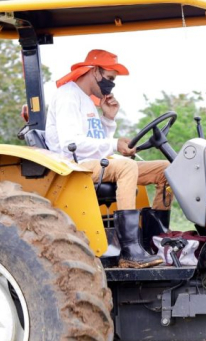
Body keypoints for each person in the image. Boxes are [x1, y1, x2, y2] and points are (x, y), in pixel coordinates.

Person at [45, 49, 172, 269]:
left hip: (94, 163)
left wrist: (108, 119)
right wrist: (114, 144)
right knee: (126, 167)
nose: (111, 85)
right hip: (73, 166)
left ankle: (157, 241)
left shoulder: (87, 101)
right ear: (95, 71)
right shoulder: (68, 96)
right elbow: (70, 143)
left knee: (166, 169)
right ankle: (129, 250)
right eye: (109, 78)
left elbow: (97, 143)